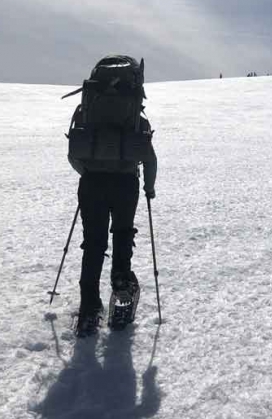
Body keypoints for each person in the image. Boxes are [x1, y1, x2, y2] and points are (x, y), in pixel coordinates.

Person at [66, 55, 157, 336]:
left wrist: (87, 172)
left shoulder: (86, 112)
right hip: (125, 183)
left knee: (93, 243)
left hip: (92, 182)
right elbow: (150, 158)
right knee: (122, 234)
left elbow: (74, 153)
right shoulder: (136, 120)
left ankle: (89, 309)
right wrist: (149, 187)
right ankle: (121, 294)